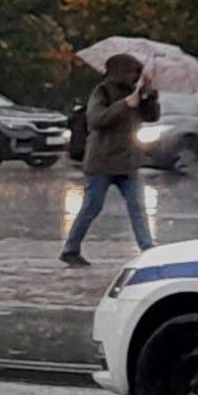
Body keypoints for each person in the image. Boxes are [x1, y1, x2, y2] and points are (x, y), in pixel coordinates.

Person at [64, 52, 159, 267]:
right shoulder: (103, 91)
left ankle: (147, 248)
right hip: (102, 162)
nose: (135, 77)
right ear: (121, 72)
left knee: (137, 206)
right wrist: (125, 104)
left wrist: (150, 95)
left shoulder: (137, 93)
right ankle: (71, 249)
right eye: (132, 72)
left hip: (128, 162)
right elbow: (96, 119)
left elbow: (152, 116)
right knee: (91, 207)